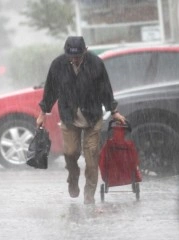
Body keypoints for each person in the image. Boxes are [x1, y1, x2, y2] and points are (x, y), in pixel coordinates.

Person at [36, 36, 126, 204]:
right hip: (69, 117)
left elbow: (105, 89)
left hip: (92, 116)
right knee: (70, 153)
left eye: (78, 56)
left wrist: (114, 111)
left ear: (85, 51)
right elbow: (50, 90)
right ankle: (73, 177)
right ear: (66, 54)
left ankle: (89, 193)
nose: (75, 59)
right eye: (71, 56)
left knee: (91, 154)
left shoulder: (96, 64)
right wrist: (43, 112)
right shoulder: (58, 65)